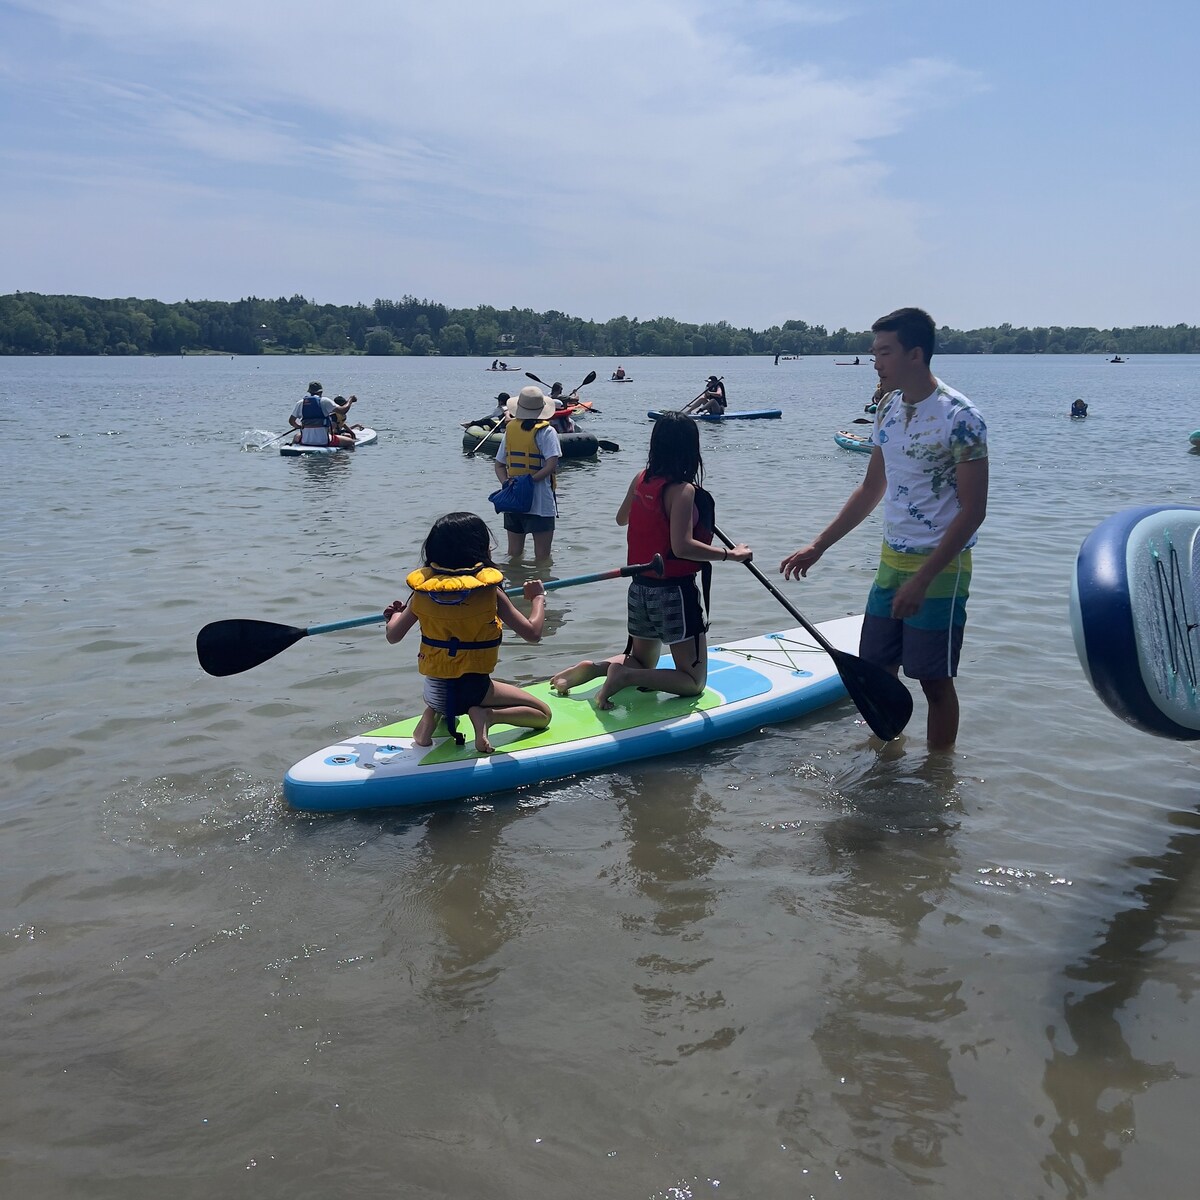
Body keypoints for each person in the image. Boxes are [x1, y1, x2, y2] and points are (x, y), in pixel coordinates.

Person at [780, 307, 987, 751]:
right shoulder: (889, 407)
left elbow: (973, 512)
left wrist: (924, 578)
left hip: (940, 570)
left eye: (885, 351)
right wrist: (819, 545)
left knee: (934, 680)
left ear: (916, 354)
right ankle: (886, 762)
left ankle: (937, 778)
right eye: (874, 352)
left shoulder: (961, 418)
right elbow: (872, 487)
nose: (876, 360)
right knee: (876, 668)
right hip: (891, 561)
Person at [549, 411, 752, 709]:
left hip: (640, 588)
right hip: (674, 594)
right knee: (693, 682)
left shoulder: (641, 479)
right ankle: (624, 677)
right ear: (690, 450)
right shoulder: (683, 491)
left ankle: (595, 668)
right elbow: (682, 547)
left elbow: (622, 519)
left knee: (643, 658)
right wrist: (730, 554)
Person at [383, 512, 551, 754]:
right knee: (542, 715)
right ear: (479, 550)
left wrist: (394, 616)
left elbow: (393, 636)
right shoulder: (489, 593)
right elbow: (533, 633)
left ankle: (430, 716)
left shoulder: (422, 594)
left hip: (434, 691)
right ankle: (487, 716)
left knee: (444, 689)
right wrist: (537, 598)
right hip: (475, 689)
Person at [494, 386, 562, 559]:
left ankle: (514, 583)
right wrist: (530, 481)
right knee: (543, 558)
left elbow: (499, 465)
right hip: (541, 504)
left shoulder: (510, 430)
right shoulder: (547, 431)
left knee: (514, 555)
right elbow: (551, 465)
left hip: (514, 499)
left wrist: (507, 484)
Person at [289, 383, 354, 446]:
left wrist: (299, 426)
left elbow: (291, 421)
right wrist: (350, 400)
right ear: (321, 392)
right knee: (350, 442)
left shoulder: (301, 403)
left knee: (296, 436)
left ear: (309, 392)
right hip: (323, 441)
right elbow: (343, 410)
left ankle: (293, 446)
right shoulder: (325, 401)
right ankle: (337, 456)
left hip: (305, 440)